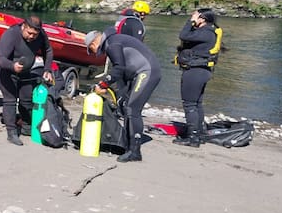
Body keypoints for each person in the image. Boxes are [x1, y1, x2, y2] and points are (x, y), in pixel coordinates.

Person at [84, 27, 162, 162]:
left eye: (91, 50)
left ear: (93, 43)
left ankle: (135, 151)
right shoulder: (113, 40)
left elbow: (119, 68)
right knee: (126, 106)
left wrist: (103, 84)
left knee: (132, 109)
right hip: (140, 72)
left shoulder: (112, 44)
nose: (93, 53)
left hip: (147, 71)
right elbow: (123, 70)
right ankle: (128, 145)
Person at [0, 15, 55, 146]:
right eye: (29, 33)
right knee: (10, 100)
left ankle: (26, 126)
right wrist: (12, 66)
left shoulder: (41, 34)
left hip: (25, 71)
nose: (32, 37)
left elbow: (48, 50)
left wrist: (47, 69)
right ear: (24, 27)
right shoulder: (12, 34)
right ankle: (12, 133)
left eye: (35, 34)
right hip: (6, 69)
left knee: (26, 98)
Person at [173, 8, 222, 148]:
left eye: (195, 16)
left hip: (195, 71)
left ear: (203, 19)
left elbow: (183, 35)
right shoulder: (207, 32)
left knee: (189, 104)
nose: (192, 17)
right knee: (196, 104)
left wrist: (190, 22)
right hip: (201, 71)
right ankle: (199, 134)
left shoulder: (206, 33)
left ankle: (192, 137)